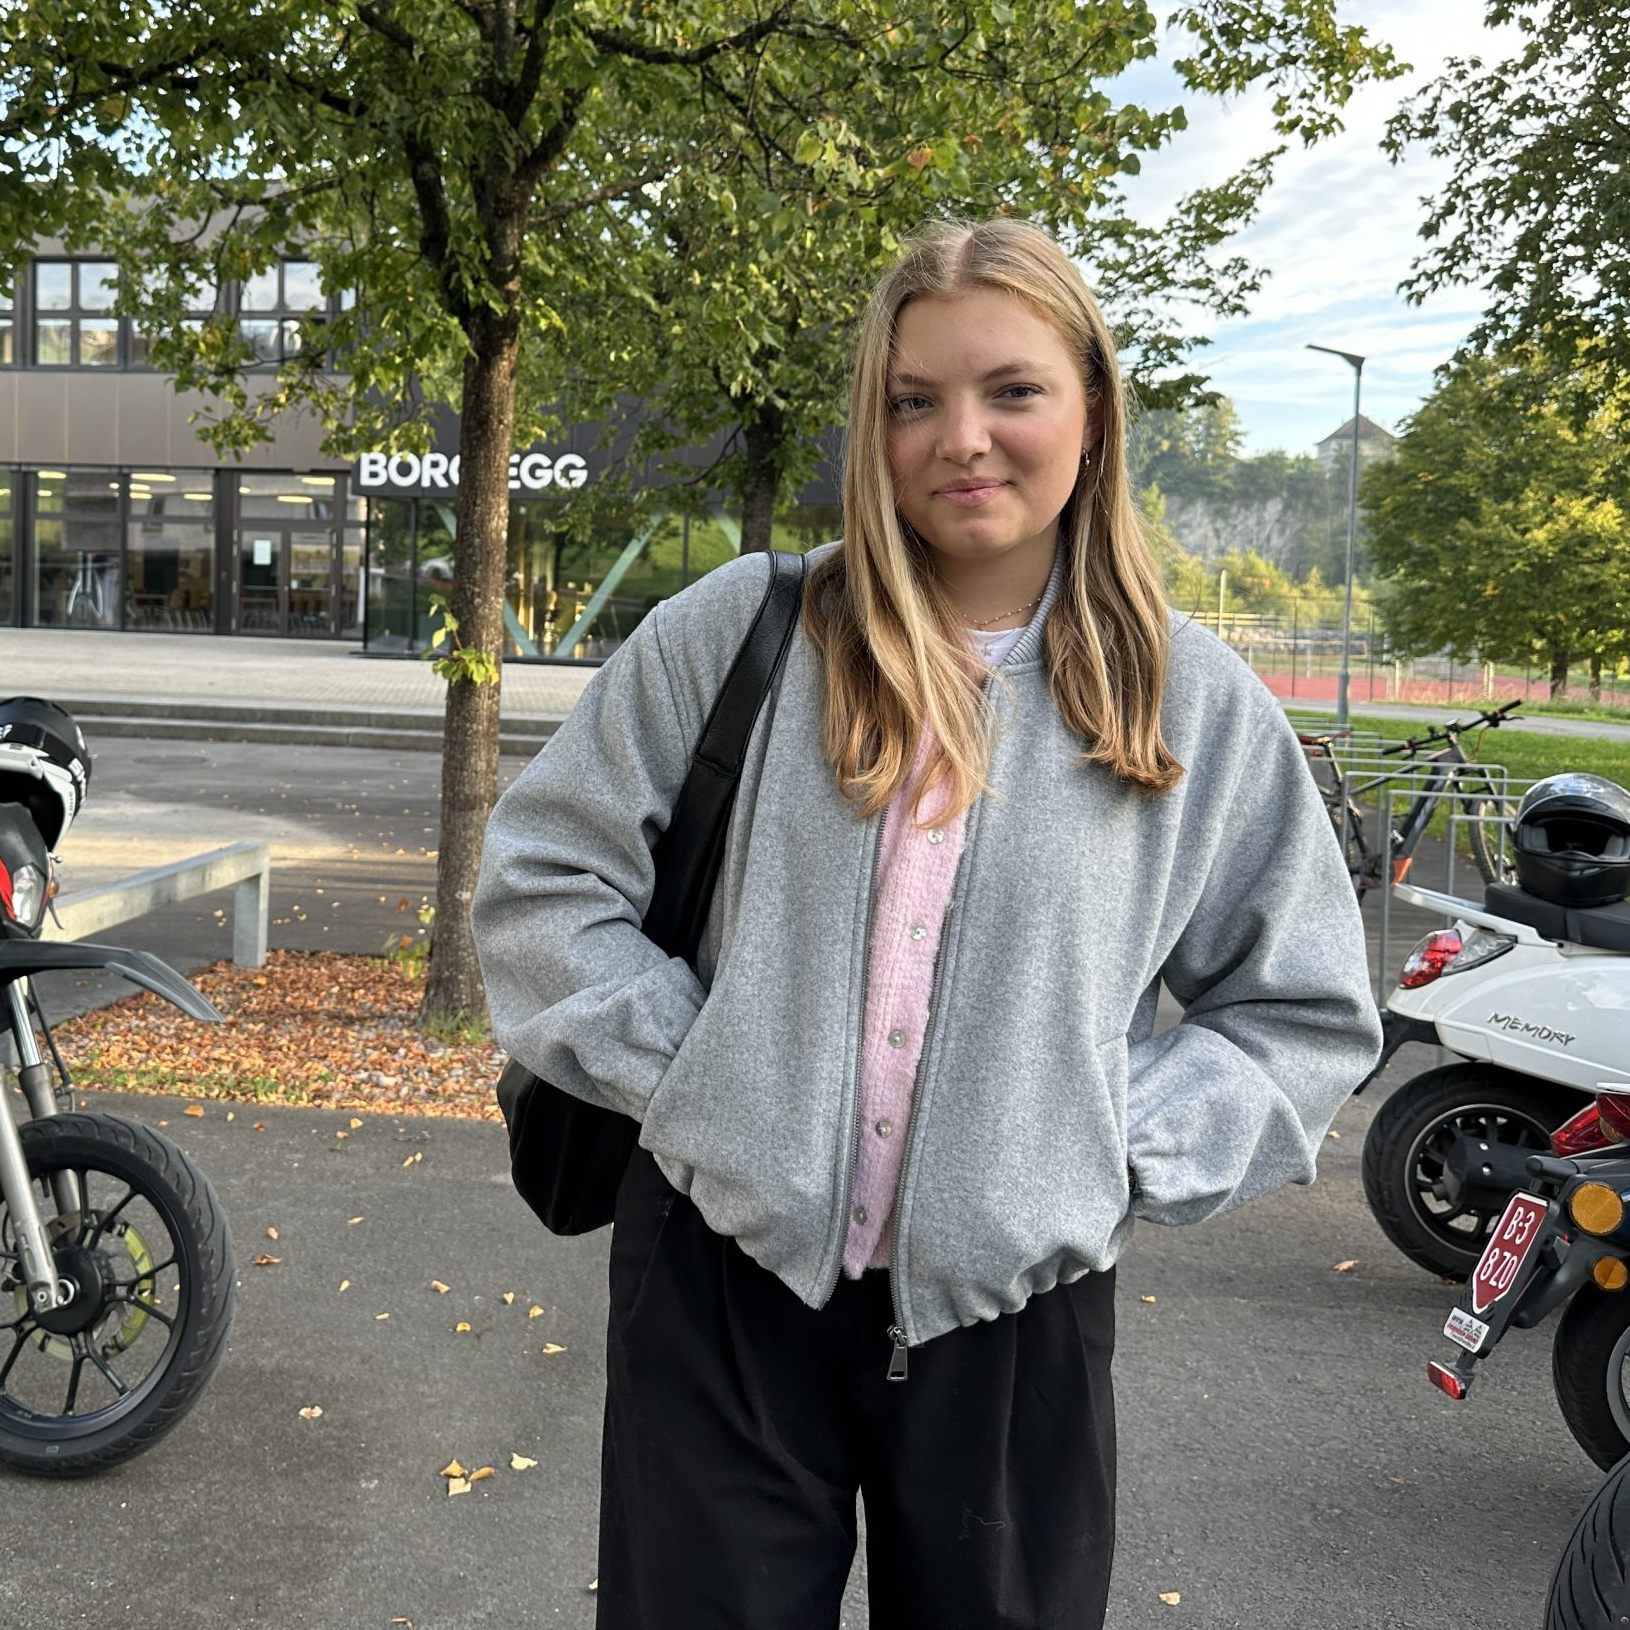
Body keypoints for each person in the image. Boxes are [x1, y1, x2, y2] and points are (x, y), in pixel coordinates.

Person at [471, 216, 1381, 1630]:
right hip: (721, 1274)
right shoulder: (744, 636)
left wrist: (1087, 1149)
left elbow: (1303, 1012)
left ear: (1090, 409)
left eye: (1010, 389)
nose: (962, 436)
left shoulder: (1189, 706)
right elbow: (542, 883)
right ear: (871, 423)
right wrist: (705, 1079)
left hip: (1015, 1316)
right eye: (913, 400)